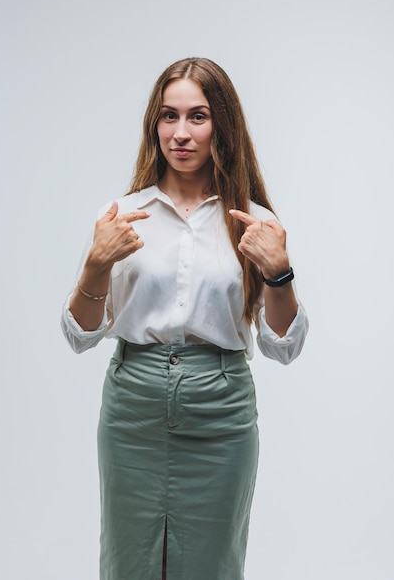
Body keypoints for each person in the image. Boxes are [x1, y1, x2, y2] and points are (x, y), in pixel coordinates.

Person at [61, 57, 308, 580]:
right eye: (168, 117)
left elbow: (282, 347)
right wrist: (95, 264)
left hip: (221, 408)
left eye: (197, 116)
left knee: (213, 565)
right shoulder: (123, 214)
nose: (180, 133)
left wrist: (280, 273)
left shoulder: (255, 221)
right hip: (134, 408)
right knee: (129, 562)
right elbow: (80, 335)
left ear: (223, 123)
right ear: (155, 124)